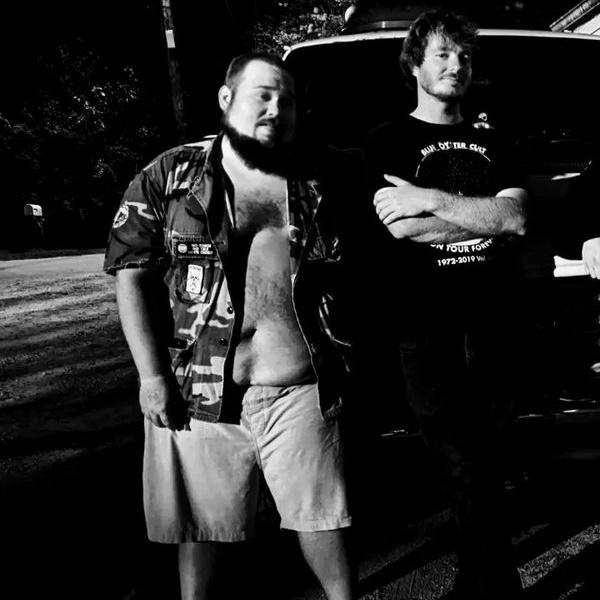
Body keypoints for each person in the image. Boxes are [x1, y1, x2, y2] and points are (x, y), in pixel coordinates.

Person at [104, 53, 356, 600]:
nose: (276, 109)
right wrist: (151, 376)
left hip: (300, 384)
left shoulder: (322, 178)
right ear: (226, 99)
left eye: (287, 100)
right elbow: (132, 276)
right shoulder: (171, 176)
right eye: (263, 94)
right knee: (201, 526)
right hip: (199, 387)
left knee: (323, 519)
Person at [364, 10, 529, 600]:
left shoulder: (496, 139)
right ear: (415, 64)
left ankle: (478, 579)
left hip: (497, 321)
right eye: (441, 54)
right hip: (425, 326)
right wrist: (482, 216)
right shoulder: (386, 141)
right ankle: (496, 584)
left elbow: (515, 217)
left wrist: (430, 199)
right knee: (458, 459)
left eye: (464, 56)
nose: (456, 65)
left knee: (489, 458)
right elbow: (400, 228)